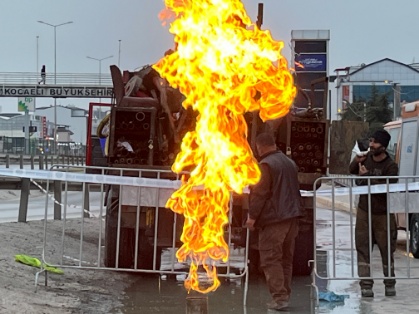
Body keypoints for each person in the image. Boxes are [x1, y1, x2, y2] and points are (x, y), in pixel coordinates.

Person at [245, 132, 304, 311]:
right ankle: (284, 295)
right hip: (292, 217)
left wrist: (252, 217)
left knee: (271, 258)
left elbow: (260, 194)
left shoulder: (265, 165)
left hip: (274, 219)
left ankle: (279, 299)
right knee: (286, 259)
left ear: (259, 147)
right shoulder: (289, 162)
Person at [349, 129, 399, 298]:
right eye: (370, 141)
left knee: (386, 249)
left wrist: (368, 175)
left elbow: (387, 186)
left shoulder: (391, 166)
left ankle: (390, 283)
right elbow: (352, 171)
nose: (371, 145)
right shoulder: (366, 158)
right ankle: (366, 285)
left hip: (383, 214)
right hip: (364, 211)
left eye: (375, 142)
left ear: (383, 146)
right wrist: (357, 161)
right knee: (362, 248)